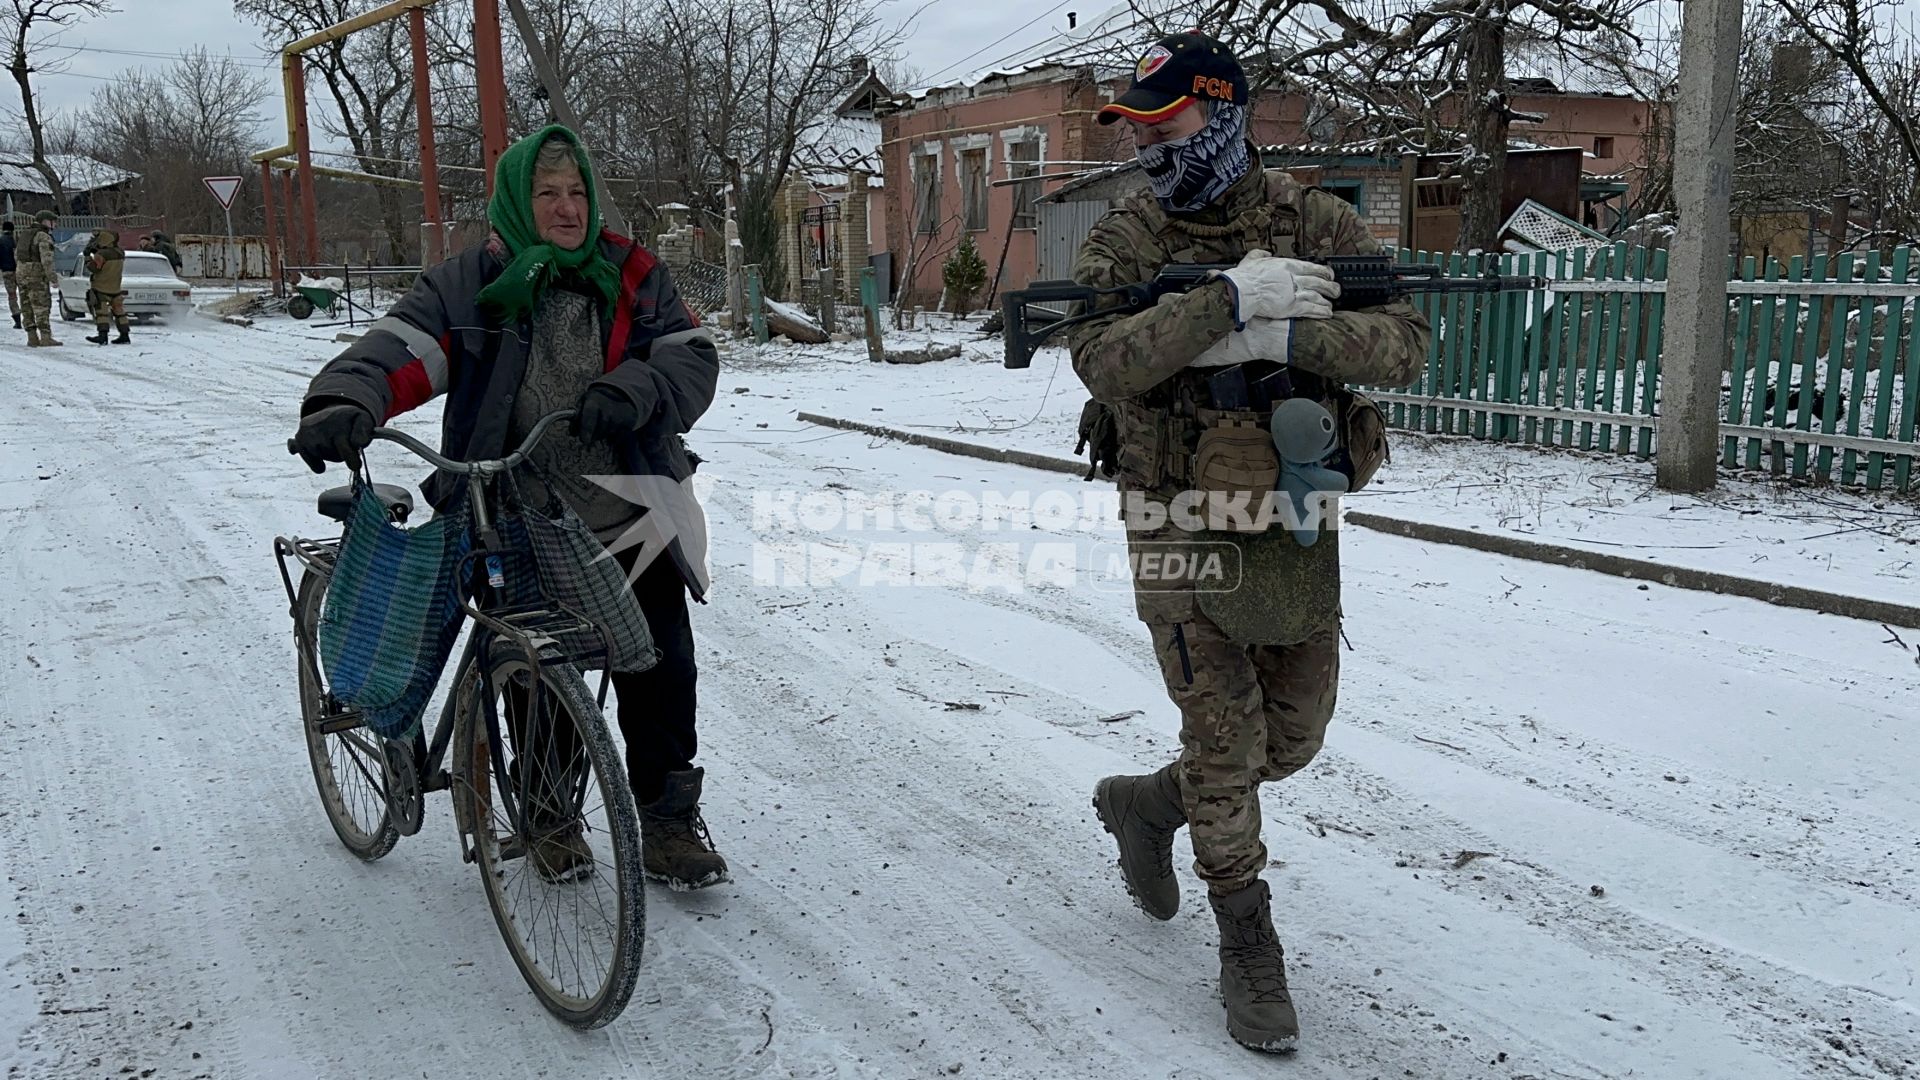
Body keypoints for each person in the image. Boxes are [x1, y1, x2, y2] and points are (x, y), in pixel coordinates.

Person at [1071, 31, 1430, 1053]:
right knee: (1225, 733)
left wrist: (1285, 335)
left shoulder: (1314, 220)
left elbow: (1405, 339)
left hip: (1290, 511)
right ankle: (1245, 938)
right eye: (1137, 128)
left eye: (1166, 122)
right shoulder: (1129, 239)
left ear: (1222, 115)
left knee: (1293, 734)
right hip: (1175, 511)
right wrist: (1223, 304)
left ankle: (1151, 804)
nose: (1149, 146)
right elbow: (1103, 359)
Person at [289, 125, 728, 890]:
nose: (566, 208)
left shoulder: (632, 273)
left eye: (577, 192)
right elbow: (398, 350)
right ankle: (548, 816)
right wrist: (346, 397)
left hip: (632, 508)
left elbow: (687, 357)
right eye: (547, 194)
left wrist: (637, 390)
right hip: (513, 507)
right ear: (516, 204)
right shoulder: (471, 285)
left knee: (662, 671)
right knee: (530, 673)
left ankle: (665, 821)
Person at [16, 210, 60, 348]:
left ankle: (32, 337)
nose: (55, 224)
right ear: (45, 221)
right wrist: (52, 278)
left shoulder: (25, 234)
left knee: (26, 305)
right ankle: (46, 337)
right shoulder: (43, 236)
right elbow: (47, 260)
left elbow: (17, 255)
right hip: (36, 274)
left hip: (21, 274)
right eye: (53, 221)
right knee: (41, 305)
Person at [84, 229, 132, 345]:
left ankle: (103, 335)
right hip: (115, 287)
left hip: (101, 287)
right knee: (119, 312)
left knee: (102, 313)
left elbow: (93, 268)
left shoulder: (101, 255)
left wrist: (88, 256)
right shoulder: (120, 252)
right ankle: (124, 335)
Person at [1, 221, 18, 330]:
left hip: (7, 271)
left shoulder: (1, 241)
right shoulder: (16, 241)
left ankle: (17, 318)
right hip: (21, 271)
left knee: (12, 296)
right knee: (25, 294)